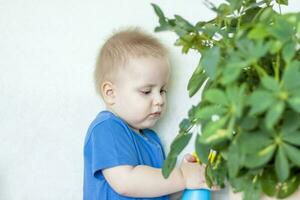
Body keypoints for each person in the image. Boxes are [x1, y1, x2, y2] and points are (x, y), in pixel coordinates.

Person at [83, 27, 209, 200]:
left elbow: (160, 192)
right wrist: (182, 177)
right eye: (146, 91)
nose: (160, 100)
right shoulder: (107, 128)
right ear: (111, 93)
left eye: (163, 90)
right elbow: (127, 182)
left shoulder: (152, 140)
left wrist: (189, 176)